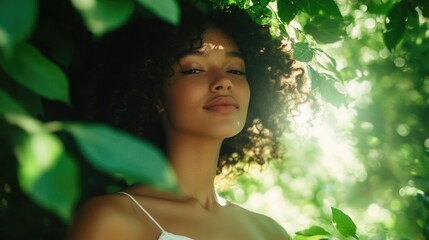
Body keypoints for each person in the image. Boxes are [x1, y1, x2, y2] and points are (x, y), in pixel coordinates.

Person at [68, 1, 309, 239]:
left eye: (235, 70)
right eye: (194, 69)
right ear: (154, 94)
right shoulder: (113, 219)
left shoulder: (271, 233)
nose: (224, 81)